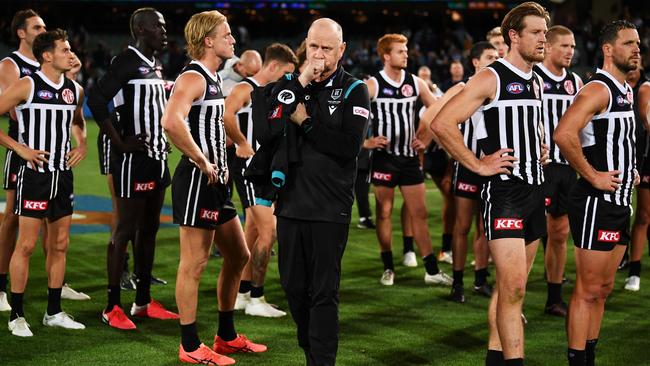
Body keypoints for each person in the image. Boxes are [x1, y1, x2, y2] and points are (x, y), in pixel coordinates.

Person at [431, 2, 549, 364]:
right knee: (512, 291)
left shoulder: (536, 79)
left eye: (545, 32)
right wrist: (478, 166)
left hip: (534, 190)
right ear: (514, 36)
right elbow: (442, 124)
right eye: (536, 32)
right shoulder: (492, 77)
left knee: (512, 292)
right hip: (505, 194)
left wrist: (538, 146)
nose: (543, 39)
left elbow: (529, 124)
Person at [163, 10, 267, 364]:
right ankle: (190, 346)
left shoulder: (211, 77)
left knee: (240, 255)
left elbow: (205, 123)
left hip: (218, 182)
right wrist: (201, 159)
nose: (233, 41)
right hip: (198, 179)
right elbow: (171, 122)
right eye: (226, 35)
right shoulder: (193, 76)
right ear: (208, 40)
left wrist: (229, 149)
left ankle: (225, 336)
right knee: (194, 263)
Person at [270, 18, 369, 365]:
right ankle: (310, 346)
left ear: (341, 50)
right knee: (293, 288)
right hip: (291, 204)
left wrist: (306, 123)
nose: (320, 54)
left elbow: (348, 146)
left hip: (331, 207)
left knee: (324, 292)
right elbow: (268, 124)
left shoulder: (355, 89)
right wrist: (301, 82)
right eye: (314, 46)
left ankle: (321, 360)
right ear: (305, 46)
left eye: (328, 48)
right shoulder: (291, 85)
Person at [555, 20, 640, 366]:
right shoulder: (598, 89)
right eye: (629, 43)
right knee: (588, 290)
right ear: (608, 49)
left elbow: (614, 139)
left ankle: (589, 354)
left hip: (620, 202)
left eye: (638, 43)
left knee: (603, 290)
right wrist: (593, 175)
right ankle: (577, 360)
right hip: (596, 202)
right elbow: (563, 134)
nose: (637, 49)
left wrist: (628, 166)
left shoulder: (625, 89)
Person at [87, 7, 178, 330]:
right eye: (159, 26)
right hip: (132, 161)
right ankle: (112, 306)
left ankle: (142, 302)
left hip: (157, 157)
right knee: (125, 230)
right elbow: (97, 101)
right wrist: (121, 142)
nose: (165, 31)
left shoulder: (154, 64)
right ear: (141, 29)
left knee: (149, 230)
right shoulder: (125, 61)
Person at [1, 29, 87, 336]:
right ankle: (17, 315)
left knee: (60, 245)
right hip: (33, 175)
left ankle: (53, 312)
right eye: (64, 49)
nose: (70, 53)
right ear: (47, 55)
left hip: (62, 176)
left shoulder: (74, 90)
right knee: (25, 245)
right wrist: (19, 148)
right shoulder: (27, 84)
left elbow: (78, 121)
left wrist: (83, 144)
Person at [366, 33, 451, 286]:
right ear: (386, 56)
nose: (406, 54)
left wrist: (425, 138)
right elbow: (351, 115)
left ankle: (431, 270)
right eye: (400, 51)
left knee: (420, 213)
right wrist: (366, 142)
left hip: (410, 159)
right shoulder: (373, 84)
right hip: (384, 159)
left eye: (406, 50)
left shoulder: (415, 83)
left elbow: (437, 110)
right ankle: (388, 267)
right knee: (384, 212)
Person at [225, 43, 297, 318]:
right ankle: (256, 298)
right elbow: (226, 115)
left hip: (267, 173)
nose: (287, 79)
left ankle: (241, 294)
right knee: (270, 232)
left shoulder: (276, 93)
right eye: (285, 73)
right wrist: (242, 143)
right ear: (274, 66)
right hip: (250, 172)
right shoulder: (246, 89)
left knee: (252, 235)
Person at [533, 25, 583, 317]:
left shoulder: (576, 82)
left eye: (573, 46)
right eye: (564, 46)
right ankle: (512, 297)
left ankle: (553, 298)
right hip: (541, 167)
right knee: (530, 234)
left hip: (566, 168)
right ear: (548, 47)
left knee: (560, 233)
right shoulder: (533, 77)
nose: (570, 51)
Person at [445, 41, 499, 303]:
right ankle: (457, 282)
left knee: (485, 227)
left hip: (491, 168)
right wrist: (458, 155)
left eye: (497, 56)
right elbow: (437, 121)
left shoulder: (499, 86)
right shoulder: (462, 88)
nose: (495, 59)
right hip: (468, 167)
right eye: (490, 56)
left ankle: (480, 278)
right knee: (462, 226)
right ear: (475, 62)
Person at [623, 63, 650, 291]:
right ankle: (634, 271)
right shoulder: (646, 88)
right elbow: (647, 122)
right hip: (647, 160)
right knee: (643, 215)